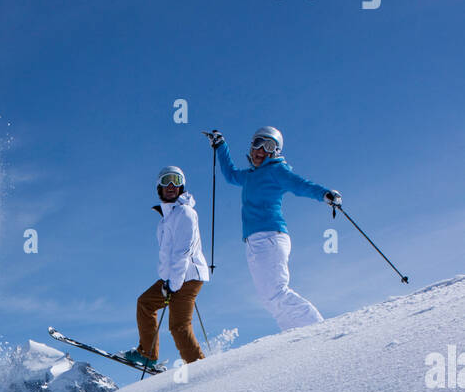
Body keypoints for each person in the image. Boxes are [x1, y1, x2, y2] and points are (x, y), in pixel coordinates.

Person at [208, 126, 341, 330]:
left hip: (270, 236)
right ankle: (292, 338)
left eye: (268, 145)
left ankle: (319, 329)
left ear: (275, 151)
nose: (260, 150)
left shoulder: (277, 170)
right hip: (255, 240)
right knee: (268, 297)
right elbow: (230, 175)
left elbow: (300, 185)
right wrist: (221, 145)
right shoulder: (250, 175)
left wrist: (325, 194)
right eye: (257, 144)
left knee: (276, 293)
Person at [124, 166, 209, 371]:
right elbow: (168, 256)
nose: (171, 185)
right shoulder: (166, 219)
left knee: (179, 325)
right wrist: (167, 281)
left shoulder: (185, 213)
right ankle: (147, 354)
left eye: (176, 180)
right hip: (172, 279)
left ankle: (200, 369)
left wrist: (173, 284)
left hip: (187, 277)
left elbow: (182, 252)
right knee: (145, 303)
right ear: (159, 187)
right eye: (166, 180)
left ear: (182, 186)